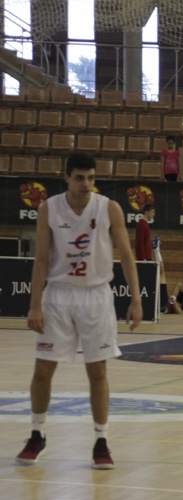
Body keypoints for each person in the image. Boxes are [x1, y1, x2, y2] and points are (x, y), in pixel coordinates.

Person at [16, 152, 142, 470]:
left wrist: (137, 299)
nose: (86, 184)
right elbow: (41, 259)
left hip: (96, 296)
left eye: (91, 178)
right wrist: (34, 304)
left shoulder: (109, 208)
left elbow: (126, 255)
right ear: (67, 177)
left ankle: (101, 440)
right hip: (57, 296)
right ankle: (37, 433)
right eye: (80, 178)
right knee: (43, 369)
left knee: (97, 371)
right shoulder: (49, 208)